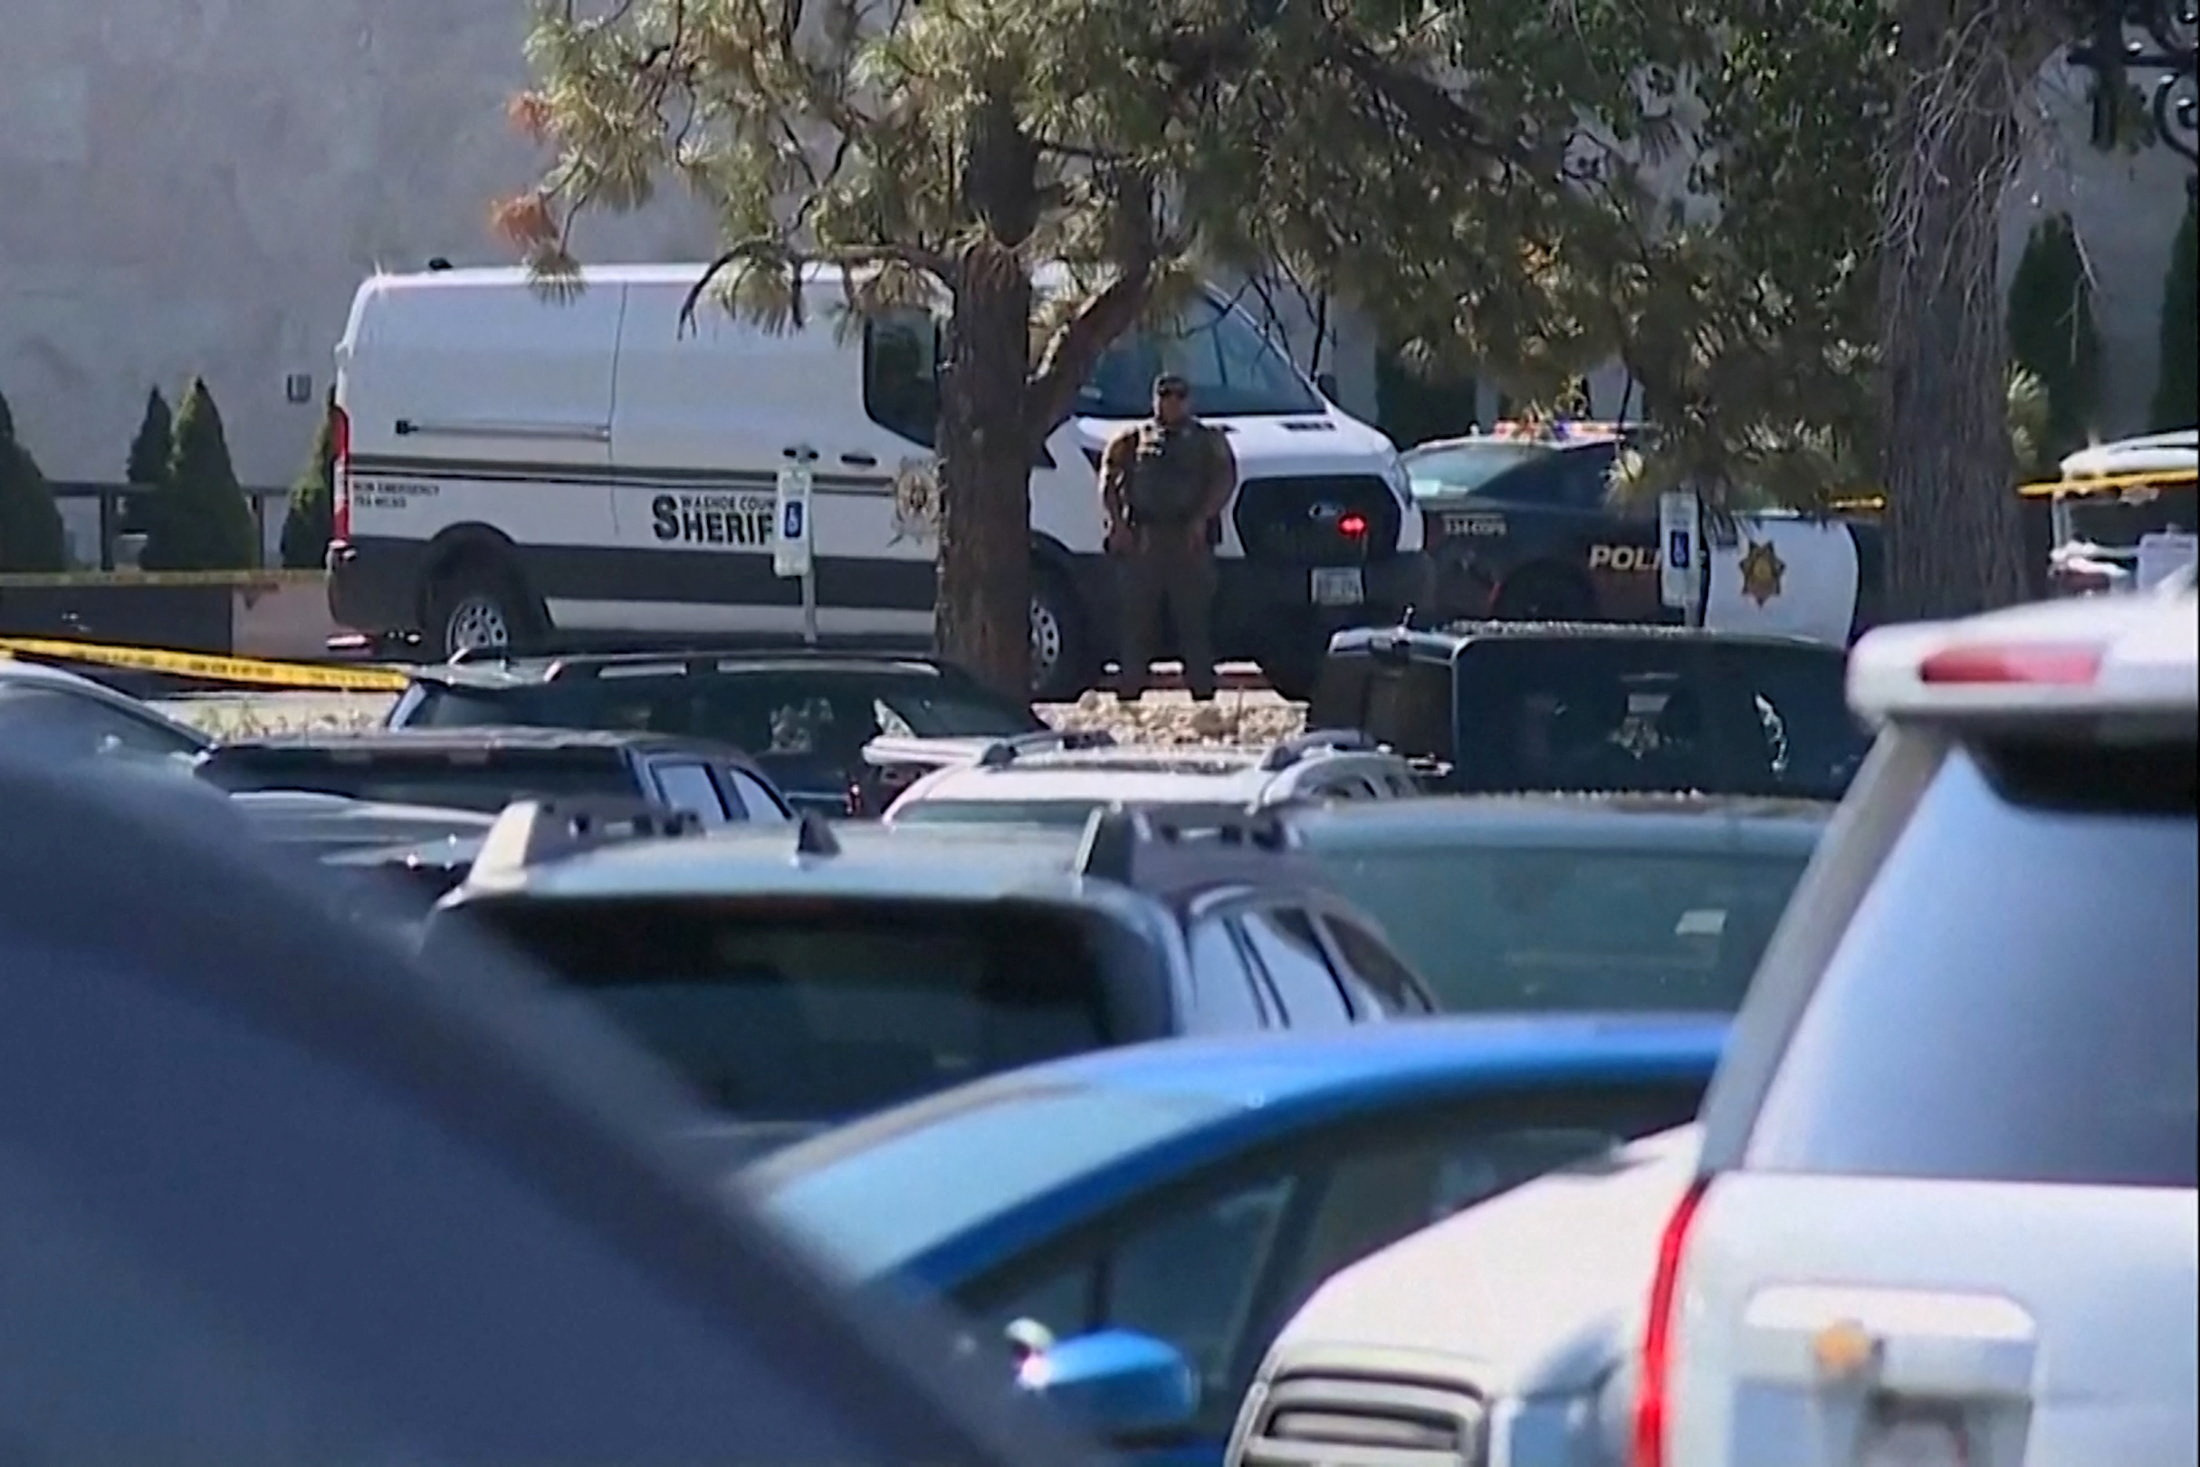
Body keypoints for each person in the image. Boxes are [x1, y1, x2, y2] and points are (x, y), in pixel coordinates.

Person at [1098, 373, 1238, 702]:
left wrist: (1202, 518)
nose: (1171, 401)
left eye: (1179, 394)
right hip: (1144, 540)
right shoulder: (1133, 438)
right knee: (1136, 622)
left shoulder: (1206, 440)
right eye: (1164, 394)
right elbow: (1109, 477)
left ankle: (1203, 695)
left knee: (1194, 622)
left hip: (1188, 542)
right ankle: (1130, 694)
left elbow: (1225, 478)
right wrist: (1117, 524)